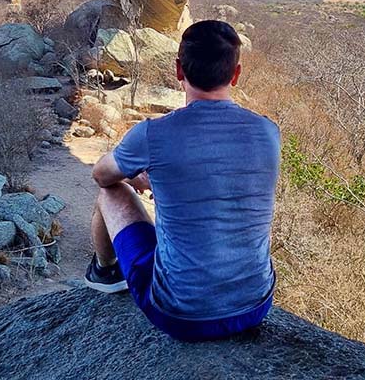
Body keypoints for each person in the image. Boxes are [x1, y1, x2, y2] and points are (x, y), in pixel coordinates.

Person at [85, 19, 281, 342]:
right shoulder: (268, 133)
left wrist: (140, 178)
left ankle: (105, 272)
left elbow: (101, 175)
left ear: (178, 70)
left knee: (110, 194)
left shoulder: (153, 135)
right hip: (255, 305)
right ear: (236, 74)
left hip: (180, 314)